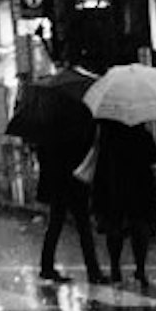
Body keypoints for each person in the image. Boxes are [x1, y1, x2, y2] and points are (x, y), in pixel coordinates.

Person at [29, 85, 103, 283]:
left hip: (57, 182)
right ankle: (93, 271)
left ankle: (47, 266)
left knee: (56, 224)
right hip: (75, 180)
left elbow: (42, 155)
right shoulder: (81, 121)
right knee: (82, 227)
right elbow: (86, 148)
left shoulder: (47, 125)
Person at [91, 107, 156, 284]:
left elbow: (100, 159)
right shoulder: (141, 134)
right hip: (139, 185)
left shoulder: (107, 133)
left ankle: (115, 268)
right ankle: (140, 269)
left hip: (113, 184)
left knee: (114, 226)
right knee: (139, 226)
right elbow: (154, 156)